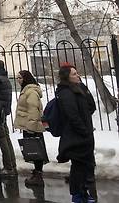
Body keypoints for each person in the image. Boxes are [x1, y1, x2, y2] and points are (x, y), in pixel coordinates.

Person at [56, 65, 96, 203]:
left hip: (84, 134)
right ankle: (77, 194)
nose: (77, 75)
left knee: (85, 165)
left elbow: (91, 106)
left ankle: (83, 192)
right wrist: (83, 130)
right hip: (76, 136)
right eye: (74, 74)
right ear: (66, 77)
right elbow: (72, 115)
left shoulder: (77, 89)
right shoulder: (66, 93)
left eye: (77, 73)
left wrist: (83, 87)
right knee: (78, 166)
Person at [15, 70, 47, 187]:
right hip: (29, 126)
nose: (18, 80)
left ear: (26, 78)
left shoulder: (31, 92)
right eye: (17, 78)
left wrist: (31, 127)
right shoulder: (26, 90)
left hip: (32, 127)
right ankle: (37, 173)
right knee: (33, 151)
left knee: (36, 151)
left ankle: (38, 176)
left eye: (20, 78)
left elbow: (34, 110)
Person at [0, 59, 18, 176]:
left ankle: (8, 167)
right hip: (3, 111)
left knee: (2, 139)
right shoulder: (4, 78)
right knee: (6, 137)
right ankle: (12, 164)